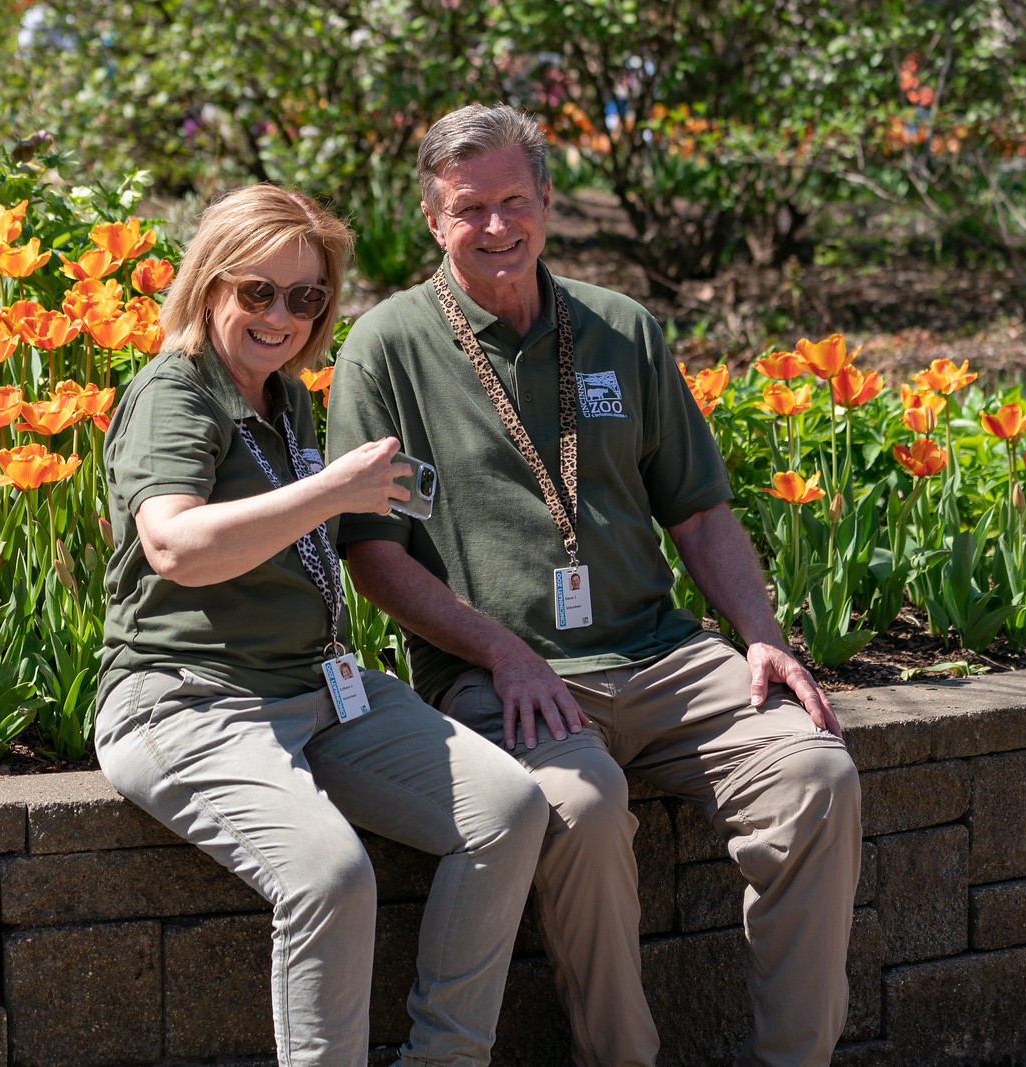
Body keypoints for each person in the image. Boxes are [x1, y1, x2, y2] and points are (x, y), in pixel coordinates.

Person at [326, 104, 862, 1067]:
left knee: (817, 771)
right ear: (431, 218)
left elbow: (698, 512)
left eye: (514, 202)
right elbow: (375, 557)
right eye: (469, 208)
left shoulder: (620, 327)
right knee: (581, 805)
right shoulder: (386, 348)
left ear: (548, 202)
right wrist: (500, 650)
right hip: (500, 675)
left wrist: (762, 633)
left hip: (660, 655)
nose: (496, 227)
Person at [95, 184, 550, 1067]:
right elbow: (175, 547)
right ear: (209, 284)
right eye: (257, 291)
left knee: (509, 809)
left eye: (305, 298)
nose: (281, 316)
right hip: (187, 702)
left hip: (314, 689)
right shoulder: (175, 392)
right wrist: (333, 491)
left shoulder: (281, 396)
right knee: (331, 877)